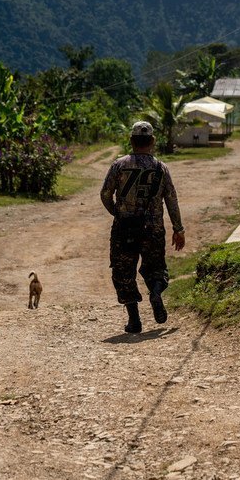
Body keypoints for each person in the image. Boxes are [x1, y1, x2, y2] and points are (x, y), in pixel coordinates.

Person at [100, 121, 186, 333]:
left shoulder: (119, 165)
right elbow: (171, 199)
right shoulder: (161, 168)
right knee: (156, 268)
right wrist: (178, 228)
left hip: (124, 228)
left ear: (131, 141)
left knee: (123, 272)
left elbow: (104, 194)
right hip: (153, 229)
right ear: (153, 141)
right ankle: (155, 293)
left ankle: (134, 320)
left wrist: (117, 213)